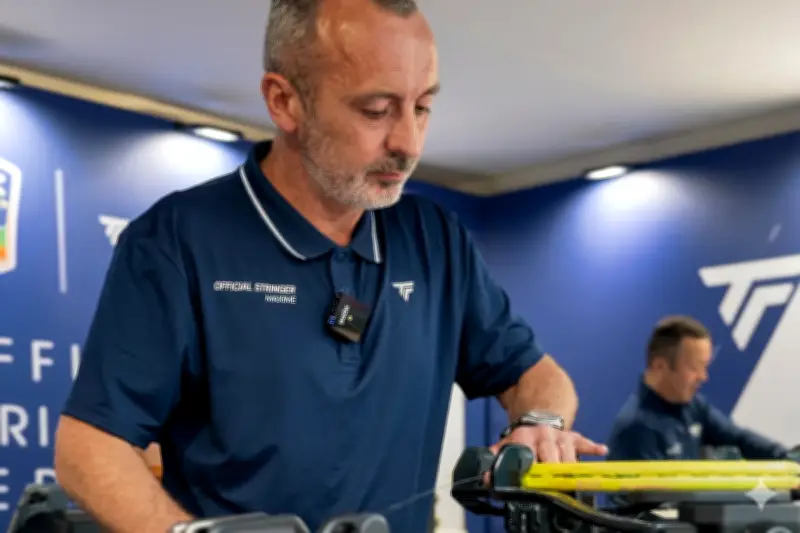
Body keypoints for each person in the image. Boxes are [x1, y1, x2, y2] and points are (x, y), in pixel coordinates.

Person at [52, 1, 608, 532]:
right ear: (284, 102)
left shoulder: (435, 239)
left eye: (422, 107)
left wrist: (540, 425)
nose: (408, 142)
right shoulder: (177, 239)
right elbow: (89, 447)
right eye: (376, 110)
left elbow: (537, 377)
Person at [606, 315, 788, 462]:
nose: (703, 376)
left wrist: (788, 458)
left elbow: (738, 438)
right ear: (660, 366)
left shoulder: (694, 407)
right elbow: (654, 496)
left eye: (705, 367)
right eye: (694, 367)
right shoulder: (635, 429)